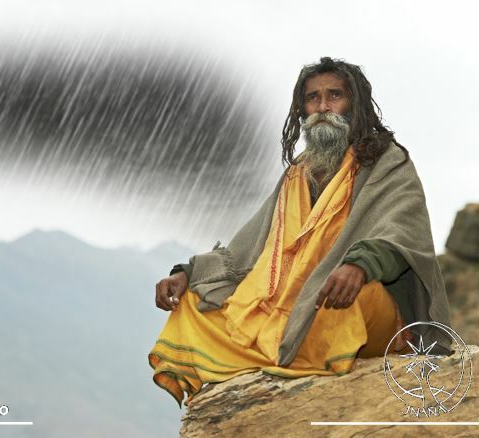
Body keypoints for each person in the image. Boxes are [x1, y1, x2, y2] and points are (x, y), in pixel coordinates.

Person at [148, 57, 451, 407]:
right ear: (302, 110)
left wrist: (361, 265)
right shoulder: (296, 174)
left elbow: (403, 232)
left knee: (346, 305)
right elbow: (248, 250)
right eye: (313, 98)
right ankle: (283, 351)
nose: (323, 106)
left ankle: (275, 351)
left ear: (355, 104)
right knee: (194, 304)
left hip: (358, 303)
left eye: (334, 95)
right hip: (295, 308)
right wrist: (185, 273)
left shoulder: (387, 162)